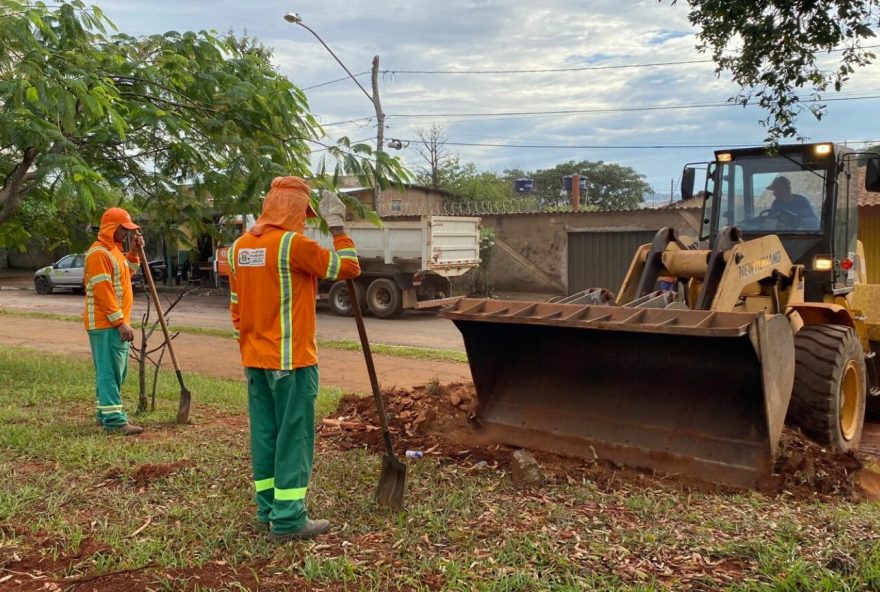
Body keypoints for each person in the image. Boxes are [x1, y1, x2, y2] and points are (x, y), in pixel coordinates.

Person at [227, 177, 360, 542]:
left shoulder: (239, 247)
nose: (305, 219)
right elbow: (349, 268)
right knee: (294, 437)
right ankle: (288, 519)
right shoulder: (292, 245)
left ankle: (268, 508)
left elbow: (236, 308)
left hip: (255, 361)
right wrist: (338, 228)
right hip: (292, 361)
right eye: (305, 212)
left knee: (266, 435)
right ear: (296, 210)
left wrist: (252, 344)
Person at [83, 207, 144, 435]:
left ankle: (104, 414)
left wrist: (134, 250)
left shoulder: (114, 252)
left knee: (115, 371)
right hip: (106, 323)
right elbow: (103, 292)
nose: (126, 233)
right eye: (123, 229)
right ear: (112, 228)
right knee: (110, 372)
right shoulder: (99, 254)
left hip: (113, 323)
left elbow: (129, 272)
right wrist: (119, 322)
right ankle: (115, 421)